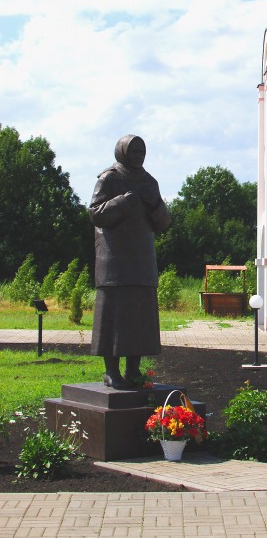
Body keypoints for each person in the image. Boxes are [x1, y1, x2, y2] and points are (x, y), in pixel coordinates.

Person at [89, 135, 170, 389]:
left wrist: (154, 203)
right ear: (121, 151)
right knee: (113, 317)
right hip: (114, 262)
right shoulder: (109, 178)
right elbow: (95, 214)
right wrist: (123, 202)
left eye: (141, 150)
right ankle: (111, 371)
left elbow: (164, 222)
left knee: (139, 318)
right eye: (133, 150)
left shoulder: (149, 182)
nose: (137, 155)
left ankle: (133, 370)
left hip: (142, 262)